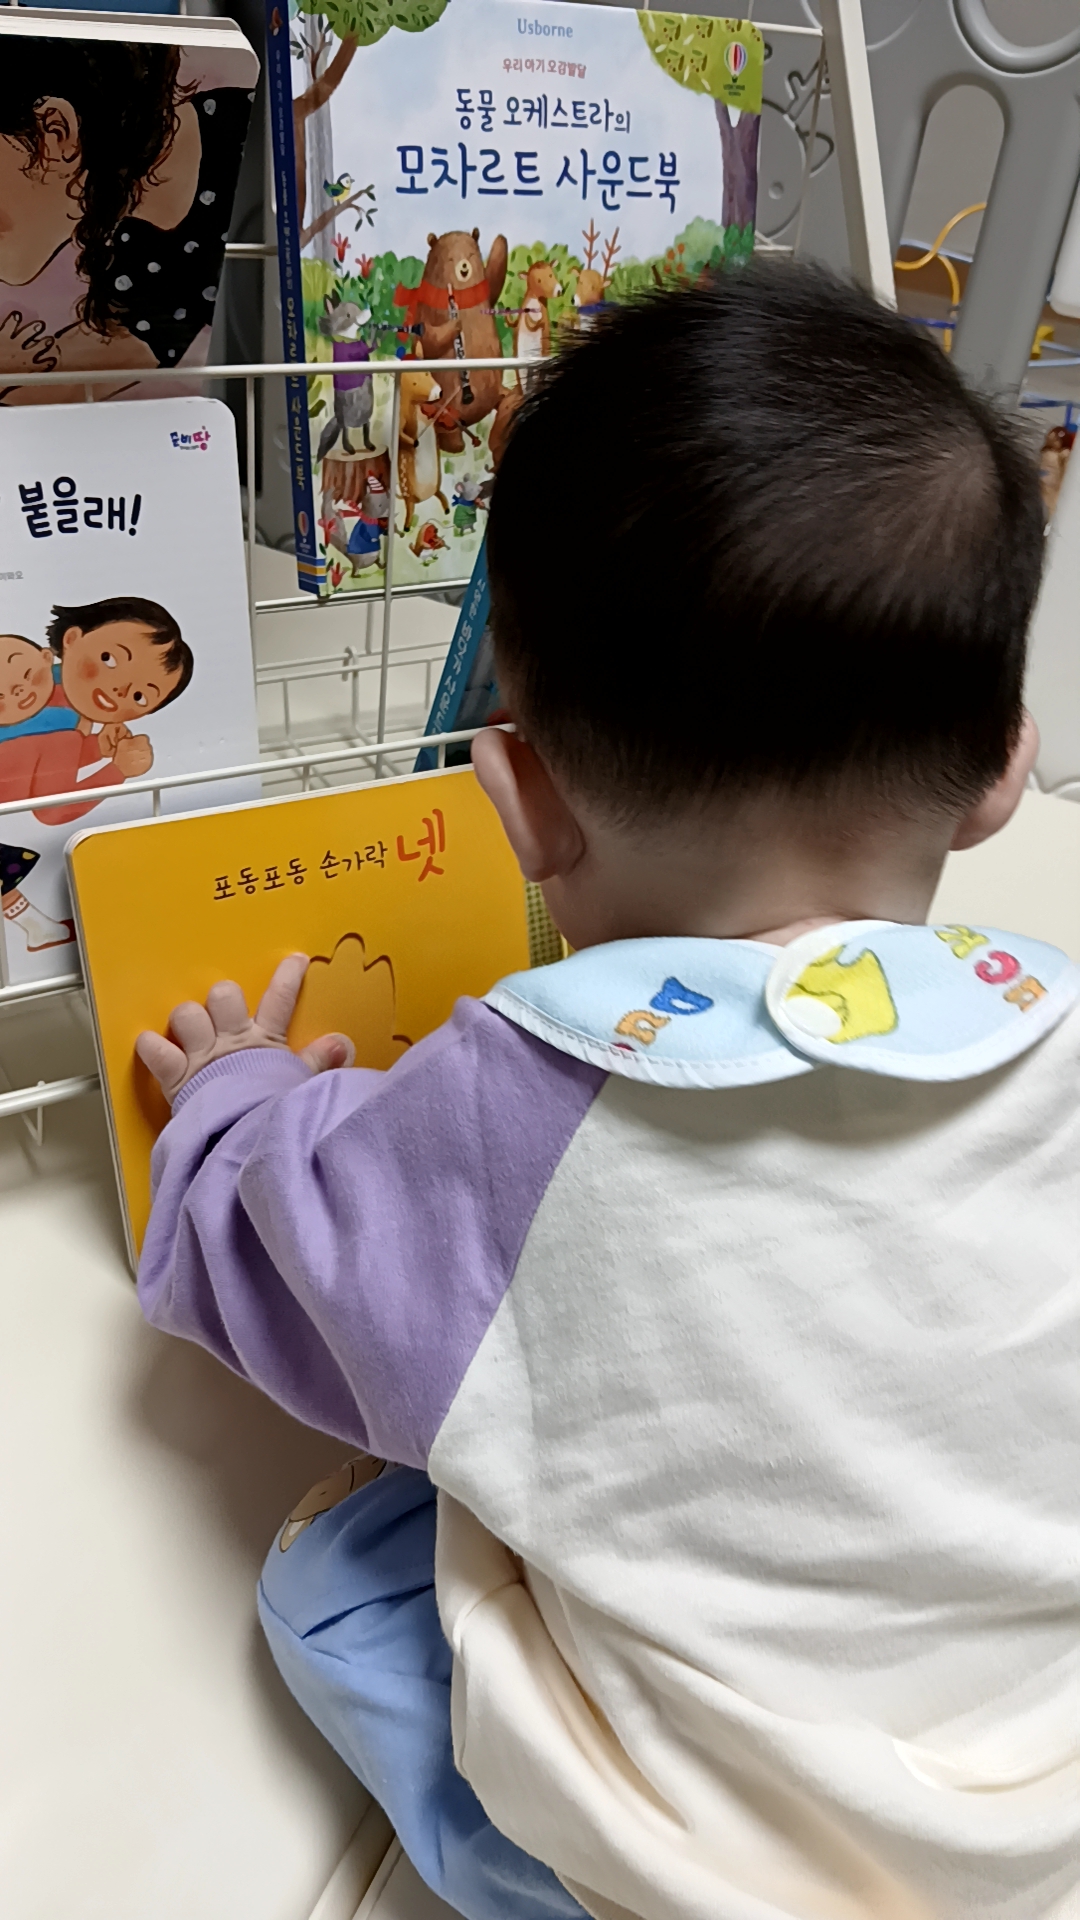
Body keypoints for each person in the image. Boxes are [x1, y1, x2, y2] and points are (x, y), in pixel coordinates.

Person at [134, 266, 1079, 1920]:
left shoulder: (515, 1102)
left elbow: (266, 1262)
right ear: (1006, 763)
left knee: (333, 1581)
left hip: (686, 1876)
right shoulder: (1057, 1039)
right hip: (1040, 1833)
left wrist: (235, 1096)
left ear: (520, 793)